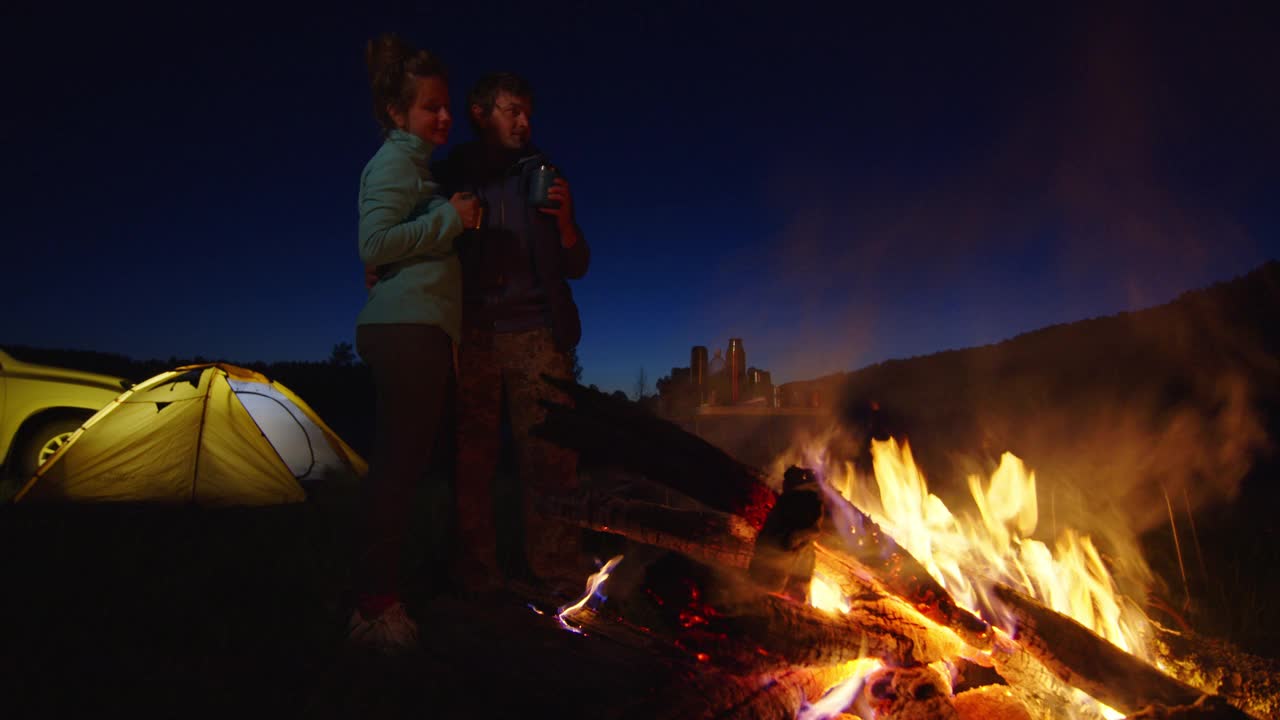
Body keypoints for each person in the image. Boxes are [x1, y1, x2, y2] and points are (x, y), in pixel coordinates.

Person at [434, 72, 591, 599]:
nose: (523, 122)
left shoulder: (542, 171)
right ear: (480, 114)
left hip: (538, 333)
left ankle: (555, 569)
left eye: (527, 112)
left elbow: (577, 263)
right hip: (475, 331)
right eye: (511, 111)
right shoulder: (452, 172)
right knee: (474, 455)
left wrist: (566, 222)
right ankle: (477, 572)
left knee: (551, 456)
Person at [347, 33, 480, 654]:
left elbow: (392, 247)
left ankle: (379, 594)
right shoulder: (393, 163)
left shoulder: (415, 164)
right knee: (397, 474)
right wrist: (449, 219)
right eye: (432, 106)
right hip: (405, 333)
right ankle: (373, 611)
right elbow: (373, 246)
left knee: (402, 471)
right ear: (400, 113)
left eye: (446, 105)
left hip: (416, 331)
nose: (445, 115)